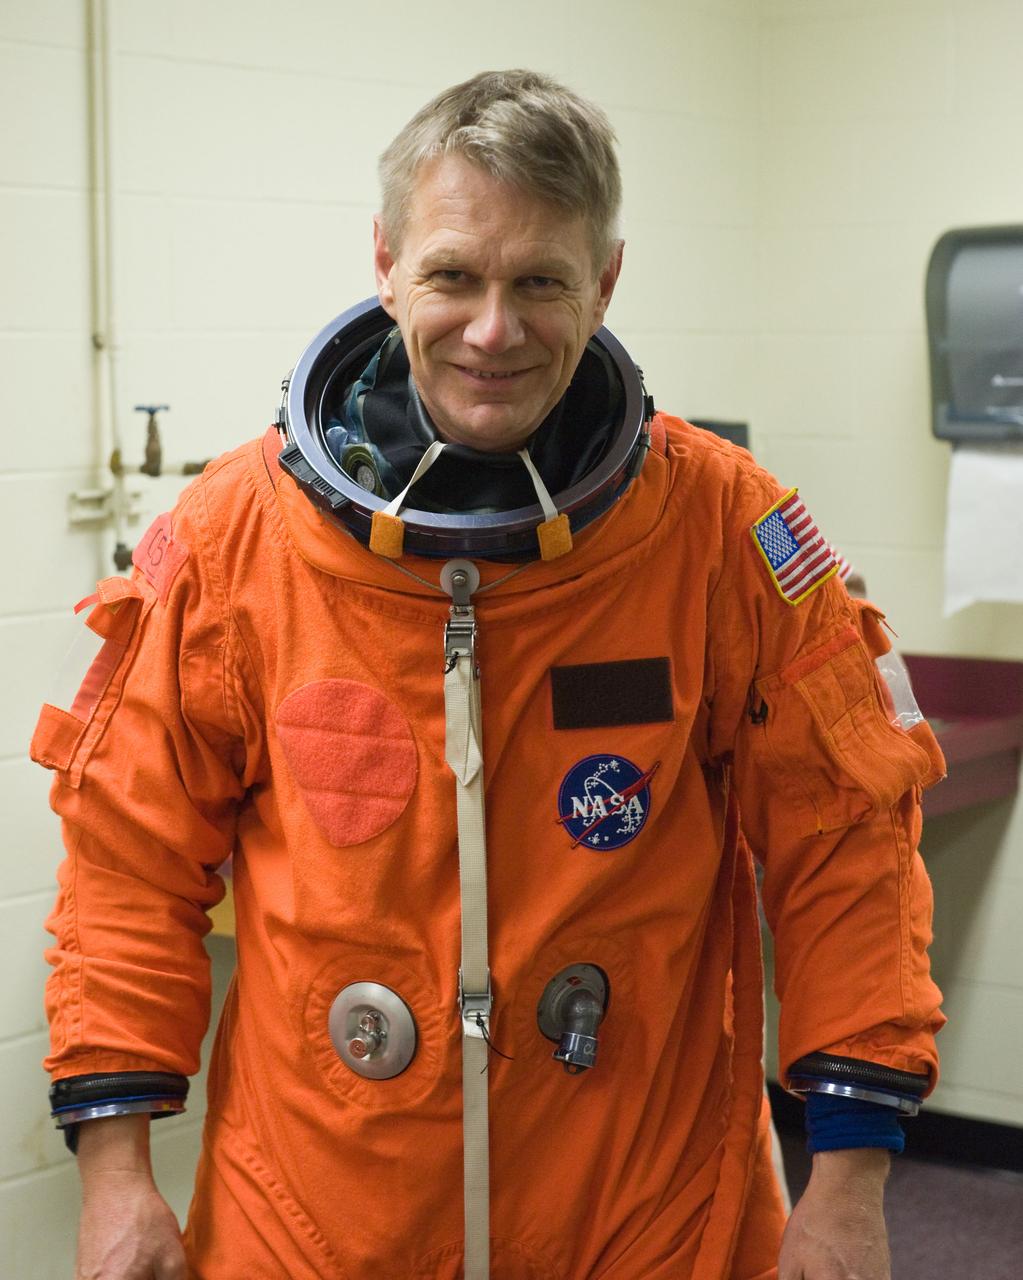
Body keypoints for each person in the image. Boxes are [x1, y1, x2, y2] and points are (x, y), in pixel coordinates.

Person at [33, 70, 946, 1280]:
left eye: (542, 282)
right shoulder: (233, 541)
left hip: (643, 1212)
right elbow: (126, 862)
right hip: (316, 1219)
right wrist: (115, 1178)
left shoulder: (722, 532)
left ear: (607, 280)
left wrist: (849, 1183)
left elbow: (850, 848)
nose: (493, 330)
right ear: (385, 261)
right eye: (455, 274)